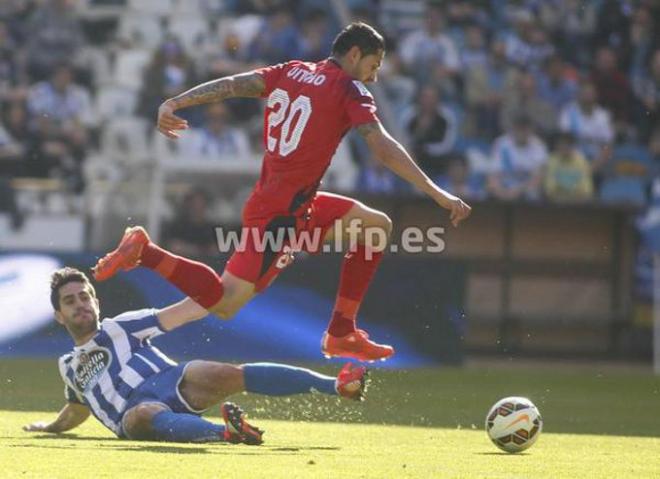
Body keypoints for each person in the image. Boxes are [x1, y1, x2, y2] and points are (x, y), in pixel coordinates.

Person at [94, 22, 471, 362]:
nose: (373, 77)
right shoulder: (348, 88)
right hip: (281, 217)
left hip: (290, 202)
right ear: (355, 54)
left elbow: (230, 85)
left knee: (375, 226)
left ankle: (342, 330)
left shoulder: (291, 71)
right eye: (373, 66)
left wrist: (176, 101)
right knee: (224, 304)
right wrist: (437, 192)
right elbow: (382, 146)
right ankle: (146, 252)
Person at [22, 267, 368, 444]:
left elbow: (182, 312)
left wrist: (223, 291)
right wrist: (49, 427)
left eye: (85, 297)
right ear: (59, 316)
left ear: (96, 301)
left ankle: (336, 386)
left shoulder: (122, 326)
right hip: (132, 414)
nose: (80, 304)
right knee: (144, 413)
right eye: (70, 301)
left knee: (220, 372)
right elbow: (77, 408)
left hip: (170, 381)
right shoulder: (68, 366)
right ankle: (228, 433)